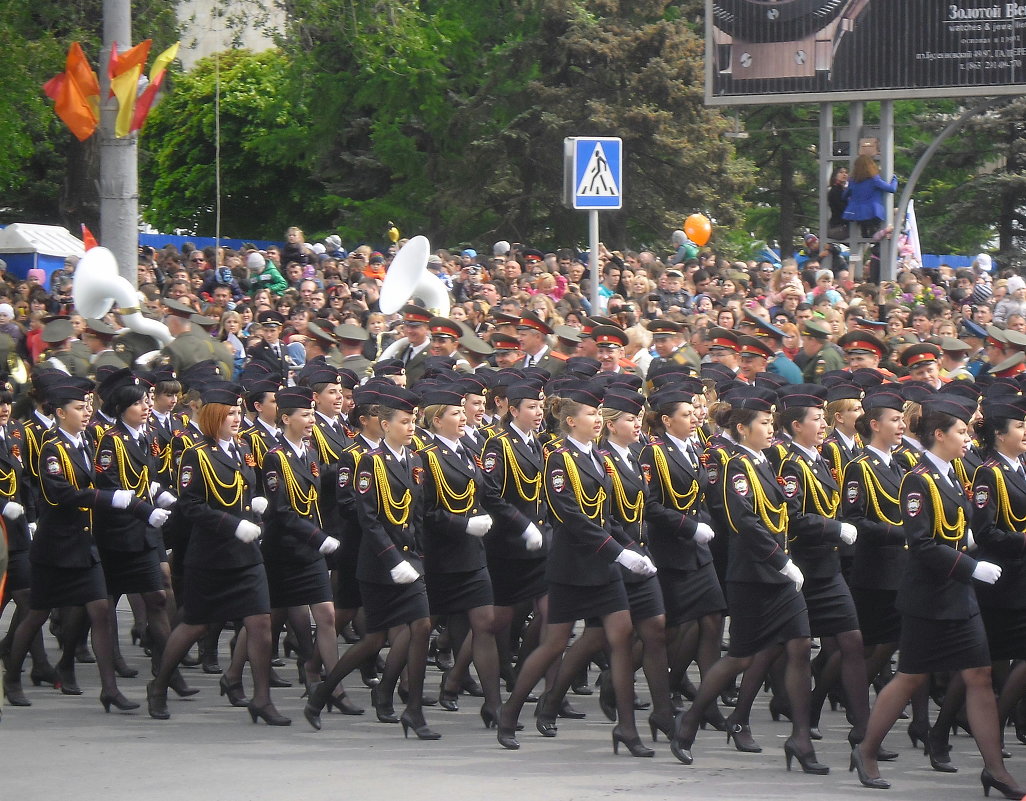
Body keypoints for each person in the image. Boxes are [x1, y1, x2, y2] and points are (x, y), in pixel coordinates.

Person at [852, 398, 1023, 796]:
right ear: (939, 435)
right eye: (960, 431)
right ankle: (867, 749)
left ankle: (994, 769)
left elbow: (954, 529)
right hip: (929, 597)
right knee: (910, 677)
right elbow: (922, 543)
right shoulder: (920, 479)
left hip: (959, 596)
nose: (967, 438)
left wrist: (971, 545)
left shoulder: (949, 475)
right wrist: (970, 566)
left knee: (979, 676)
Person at [496, 383, 658, 753]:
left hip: (604, 567)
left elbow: (607, 516)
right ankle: (510, 711)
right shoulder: (559, 458)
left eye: (600, 414)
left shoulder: (600, 459)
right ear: (570, 421)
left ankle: (627, 728)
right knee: (553, 644)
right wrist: (617, 552)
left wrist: (631, 550)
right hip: (572, 566)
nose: (598, 420)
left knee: (619, 636)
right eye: (590, 414)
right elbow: (570, 515)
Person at [670, 385, 823, 774]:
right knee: (740, 657)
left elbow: (780, 513)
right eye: (765, 423)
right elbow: (745, 522)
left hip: (778, 576)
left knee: (800, 645)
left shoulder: (762, 461)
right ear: (742, 428)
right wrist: (781, 561)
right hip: (753, 575)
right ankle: (689, 721)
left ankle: (800, 738)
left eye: (772, 423)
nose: (772, 429)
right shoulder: (735, 465)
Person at [2, 374, 166, 712]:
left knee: (101, 611)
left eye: (87, 406)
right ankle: (13, 677)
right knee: (35, 613)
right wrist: (115, 500)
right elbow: (60, 494)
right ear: (61, 413)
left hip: (86, 543)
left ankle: (109, 689)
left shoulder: (86, 443)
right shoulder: (53, 447)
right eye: (79, 408)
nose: (86, 412)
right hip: (57, 547)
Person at [147, 381, 289, 726]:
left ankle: (261, 698)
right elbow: (190, 506)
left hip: (246, 555)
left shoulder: (241, 449)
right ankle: (160, 683)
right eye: (230, 414)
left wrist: (256, 506)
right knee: (194, 624)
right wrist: (232, 524)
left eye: (239, 412)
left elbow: (246, 488)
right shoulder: (197, 454)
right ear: (214, 416)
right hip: (211, 554)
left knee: (260, 623)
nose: (237, 418)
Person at [304, 385, 439, 740]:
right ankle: (322, 692)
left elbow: (417, 513)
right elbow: (368, 518)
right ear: (384, 424)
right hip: (379, 564)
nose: (411, 428)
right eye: (404, 422)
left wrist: (420, 555)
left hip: (410, 560)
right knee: (373, 640)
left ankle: (413, 711)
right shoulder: (370, 462)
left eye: (413, 422)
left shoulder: (415, 461)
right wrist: (392, 559)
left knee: (421, 627)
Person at [91, 369, 193, 698]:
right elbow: (111, 487)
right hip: (118, 536)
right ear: (122, 409)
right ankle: (87, 669)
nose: (145, 407)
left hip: (145, 533)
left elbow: (146, 479)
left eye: (146, 401)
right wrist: (146, 510)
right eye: (138, 404)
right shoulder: (111, 440)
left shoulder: (145, 435)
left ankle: (167, 670)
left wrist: (163, 497)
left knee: (159, 597)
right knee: (102, 605)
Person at [251, 386, 351, 709]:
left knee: (325, 615)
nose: (311, 421)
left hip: (309, 550)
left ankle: (332, 689)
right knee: (267, 620)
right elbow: (280, 511)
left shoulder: (309, 453)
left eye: (311, 414)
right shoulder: (274, 458)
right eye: (305, 415)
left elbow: (315, 500)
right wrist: (318, 537)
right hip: (283, 552)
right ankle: (247, 682)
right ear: (285, 418)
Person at [638, 382, 727, 738]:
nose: (695, 419)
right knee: (676, 629)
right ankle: (646, 687)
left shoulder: (695, 449)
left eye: (695, 413)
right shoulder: (654, 453)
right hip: (671, 550)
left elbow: (699, 496)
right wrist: (687, 526)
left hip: (698, 550)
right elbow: (651, 504)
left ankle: (708, 703)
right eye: (686, 415)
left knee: (712, 621)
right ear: (666, 420)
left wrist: (702, 522)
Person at [417, 384, 502, 726]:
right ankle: (400, 688)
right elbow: (424, 511)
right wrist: (463, 524)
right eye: (455, 413)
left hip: (472, 553)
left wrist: (480, 519)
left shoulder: (468, 449)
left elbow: (476, 492)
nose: (464, 417)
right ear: (437, 421)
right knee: (424, 626)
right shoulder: (425, 455)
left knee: (485, 624)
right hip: (441, 555)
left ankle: (495, 706)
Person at [842, 154, 897, 239]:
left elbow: (844, 195)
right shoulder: (874, 179)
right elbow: (891, 189)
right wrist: (894, 179)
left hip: (857, 213)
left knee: (865, 237)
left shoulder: (852, 181)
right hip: (873, 211)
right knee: (877, 236)